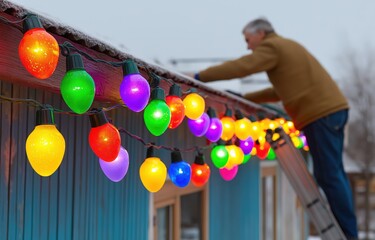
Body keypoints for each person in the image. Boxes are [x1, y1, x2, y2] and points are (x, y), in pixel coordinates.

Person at [190, 18, 358, 239]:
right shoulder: (285, 47)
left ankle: (347, 232)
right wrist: (246, 98)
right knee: (333, 173)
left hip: (321, 115)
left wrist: (201, 76)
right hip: (332, 111)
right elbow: (280, 92)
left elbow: (243, 66)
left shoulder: (273, 47)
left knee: (328, 175)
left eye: (248, 39)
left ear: (261, 33)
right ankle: (349, 229)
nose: (248, 46)